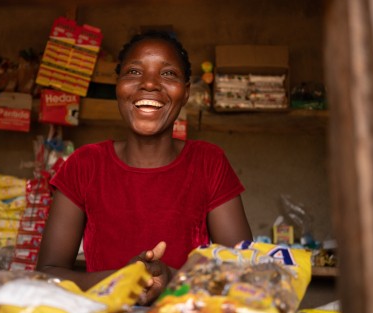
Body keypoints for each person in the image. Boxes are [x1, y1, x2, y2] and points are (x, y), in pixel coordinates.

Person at [36, 30, 253, 304]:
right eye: (134, 72)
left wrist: (172, 278)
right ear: (118, 87)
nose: (149, 84)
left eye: (168, 74)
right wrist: (123, 280)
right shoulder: (84, 165)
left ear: (185, 92)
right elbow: (46, 274)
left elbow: (245, 276)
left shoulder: (209, 163)